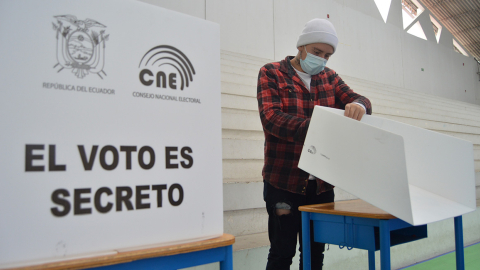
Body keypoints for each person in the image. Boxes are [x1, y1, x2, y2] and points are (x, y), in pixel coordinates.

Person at [257, 18, 372, 270]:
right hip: (283, 182)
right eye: (317, 52)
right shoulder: (272, 72)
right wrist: (318, 125)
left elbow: (361, 101)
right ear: (301, 47)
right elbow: (272, 119)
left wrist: (359, 105)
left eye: (327, 55)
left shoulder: (330, 78)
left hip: (320, 186)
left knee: (314, 256)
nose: (321, 59)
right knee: (281, 254)